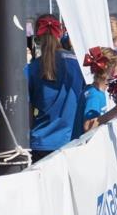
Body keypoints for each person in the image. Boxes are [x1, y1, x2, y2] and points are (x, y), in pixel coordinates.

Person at [27, 15, 87, 162]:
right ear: (60, 33)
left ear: (37, 37)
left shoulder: (31, 69)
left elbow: (26, 115)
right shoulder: (78, 64)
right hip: (74, 140)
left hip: (41, 143)